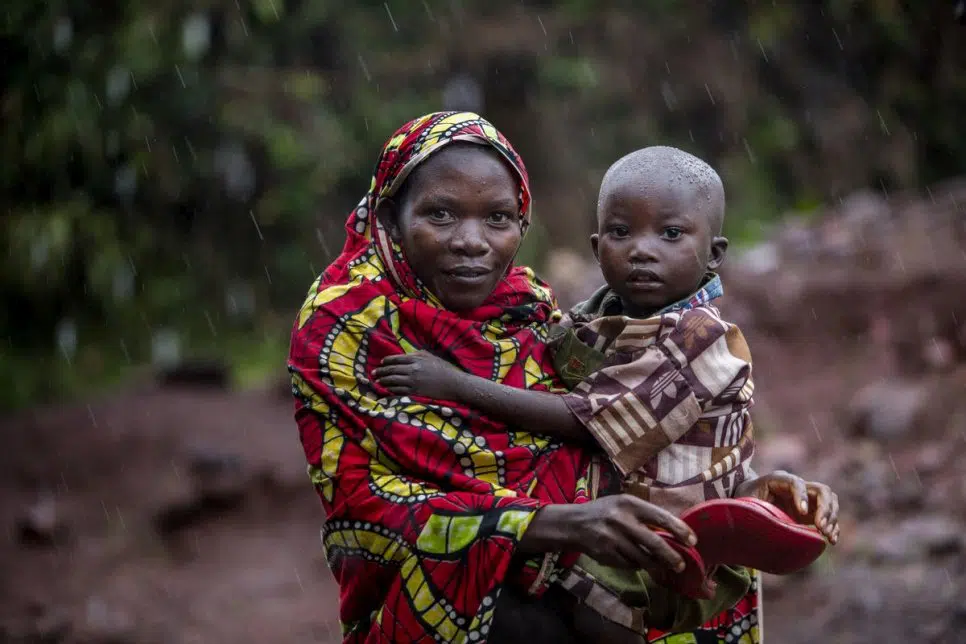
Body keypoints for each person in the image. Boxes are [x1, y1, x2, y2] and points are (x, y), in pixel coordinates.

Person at [374, 146, 841, 639]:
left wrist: (456, 385)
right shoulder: (591, 319)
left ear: (715, 254)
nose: (642, 249)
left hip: (683, 545)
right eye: (621, 233)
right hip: (625, 534)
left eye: (671, 233)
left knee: (597, 613)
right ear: (597, 248)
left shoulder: (701, 340)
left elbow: (585, 421)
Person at [289, 113, 712, 644]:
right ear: (391, 217)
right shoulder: (345, 323)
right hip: (434, 609)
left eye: (497, 218)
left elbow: (616, 431)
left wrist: (753, 486)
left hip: (586, 593)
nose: (471, 242)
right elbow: (368, 507)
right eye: (440, 214)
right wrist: (555, 524)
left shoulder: (530, 309)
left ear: (522, 223)